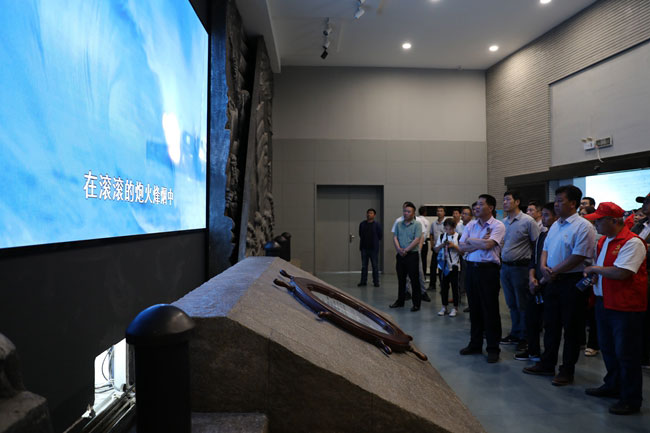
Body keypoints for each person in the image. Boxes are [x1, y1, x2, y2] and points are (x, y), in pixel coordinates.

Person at [523, 185, 596, 386]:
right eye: (555, 200)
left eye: (560, 201)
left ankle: (567, 370)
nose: (556, 204)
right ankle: (547, 363)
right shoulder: (556, 225)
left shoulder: (583, 226)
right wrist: (543, 267)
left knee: (571, 328)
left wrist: (553, 271)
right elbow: (545, 249)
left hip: (572, 282)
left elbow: (578, 256)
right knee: (551, 325)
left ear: (573, 203)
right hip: (552, 280)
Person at [583, 202, 647, 415]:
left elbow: (622, 272)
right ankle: (613, 385)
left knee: (626, 354)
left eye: (599, 220)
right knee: (608, 349)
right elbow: (607, 270)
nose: (596, 224)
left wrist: (595, 269)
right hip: (604, 302)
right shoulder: (604, 241)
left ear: (613, 221)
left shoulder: (632, 242)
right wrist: (596, 275)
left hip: (625, 306)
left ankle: (630, 398)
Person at [458, 194, 506, 363]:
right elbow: (461, 247)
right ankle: (475, 344)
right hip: (471, 269)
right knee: (475, 309)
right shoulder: (471, 224)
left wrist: (471, 241)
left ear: (490, 208)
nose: (476, 207)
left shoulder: (498, 225)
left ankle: (493, 348)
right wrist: (479, 242)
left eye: (480, 204)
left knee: (490, 310)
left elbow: (489, 245)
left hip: (488, 271)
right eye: (476, 204)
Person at [516, 202, 557, 361]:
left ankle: (547, 357)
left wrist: (542, 280)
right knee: (531, 318)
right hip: (536, 282)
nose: (543, 218)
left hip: (549, 282)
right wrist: (532, 277)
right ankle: (532, 349)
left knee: (549, 324)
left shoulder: (557, 236)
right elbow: (534, 259)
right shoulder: (542, 235)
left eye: (547, 215)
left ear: (556, 217)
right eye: (543, 214)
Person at [500, 190, 541, 351]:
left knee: (522, 304)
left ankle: (525, 336)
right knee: (511, 303)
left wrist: (533, 269)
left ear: (517, 202)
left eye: (508, 200)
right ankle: (515, 333)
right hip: (505, 267)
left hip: (521, 267)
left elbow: (536, 245)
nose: (504, 202)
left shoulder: (528, 221)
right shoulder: (503, 222)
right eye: (503, 200)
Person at [390, 202, 422, 312]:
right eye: (404, 211)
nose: (406, 213)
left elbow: (417, 239)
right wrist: (399, 249)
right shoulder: (399, 224)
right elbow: (395, 237)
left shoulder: (417, 224)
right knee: (401, 279)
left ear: (413, 213)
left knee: (414, 280)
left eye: (408, 212)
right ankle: (400, 301)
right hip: (400, 255)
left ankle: (416, 303)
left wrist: (406, 250)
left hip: (412, 255)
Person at [630, 194, 650, 368]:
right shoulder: (639, 225)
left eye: (648, 202)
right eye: (644, 202)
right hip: (636, 274)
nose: (644, 205)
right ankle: (642, 354)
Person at [434, 219, 461, 317]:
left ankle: (455, 307)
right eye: (446, 229)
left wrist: (453, 246)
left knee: (455, 288)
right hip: (443, 266)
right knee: (444, 288)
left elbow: (462, 252)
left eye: (450, 229)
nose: (448, 231)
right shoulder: (442, 236)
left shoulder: (458, 236)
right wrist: (442, 245)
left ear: (454, 228)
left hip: (454, 266)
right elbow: (436, 250)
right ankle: (444, 307)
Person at [358, 208, 382, 287]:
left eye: (371, 213)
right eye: (368, 213)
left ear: (374, 215)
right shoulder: (362, 224)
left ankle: (376, 282)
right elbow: (360, 234)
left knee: (375, 266)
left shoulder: (377, 225)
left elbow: (380, 235)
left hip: (373, 249)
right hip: (364, 248)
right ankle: (363, 281)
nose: (369, 214)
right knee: (364, 266)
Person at [459, 205, 474, 312]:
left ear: (471, 216)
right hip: (460, 256)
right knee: (461, 279)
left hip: (470, 257)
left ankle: (472, 304)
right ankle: (458, 298)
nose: (463, 215)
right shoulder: (458, 226)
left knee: (470, 282)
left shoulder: (474, 226)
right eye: (462, 213)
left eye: (466, 214)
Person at [429, 206, 446, 291]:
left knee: (441, 268)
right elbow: (431, 234)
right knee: (432, 267)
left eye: (441, 211)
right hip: (435, 249)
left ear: (444, 213)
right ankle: (432, 285)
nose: (439, 212)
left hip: (443, 249)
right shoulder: (433, 223)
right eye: (438, 211)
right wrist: (432, 245)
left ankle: (443, 286)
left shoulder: (446, 223)